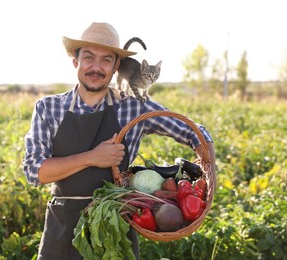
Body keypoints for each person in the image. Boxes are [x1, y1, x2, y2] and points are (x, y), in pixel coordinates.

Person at [23, 22, 216, 260]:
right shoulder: (49, 108)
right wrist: (93, 158)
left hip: (115, 228)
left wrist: (208, 172)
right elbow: (35, 171)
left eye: (106, 60)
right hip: (62, 230)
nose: (96, 67)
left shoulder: (133, 107)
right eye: (89, 57)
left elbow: (196, 133)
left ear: (116, 67)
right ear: (76, 61)